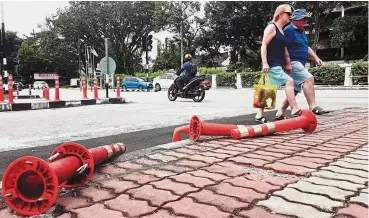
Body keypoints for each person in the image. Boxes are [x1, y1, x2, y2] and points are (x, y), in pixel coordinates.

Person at [275, 9, 329, 120]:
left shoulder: (301, 32)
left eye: (306, 18)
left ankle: (280, 112)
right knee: (308, 78)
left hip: (300, 62)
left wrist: (316, 58)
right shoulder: (289, 30)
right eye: (303, 18)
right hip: (292, 62)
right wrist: (287, 63)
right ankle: (313, 106)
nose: (305, 20)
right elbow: (282, 46)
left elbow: (306, 47)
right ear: (295, 20)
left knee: (294, 89)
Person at [255, 4, 301, 123]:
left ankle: (259, 115)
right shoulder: (272, 27)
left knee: (267, 89)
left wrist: (288, 63)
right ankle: (295, 108)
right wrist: (265, 63)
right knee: (289, 81)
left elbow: (284, 48)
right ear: (280, 14)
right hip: (271, 64)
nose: (291, 17)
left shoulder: (281, 30)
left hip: (277, 63)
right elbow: (264, 45)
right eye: (289, 14)